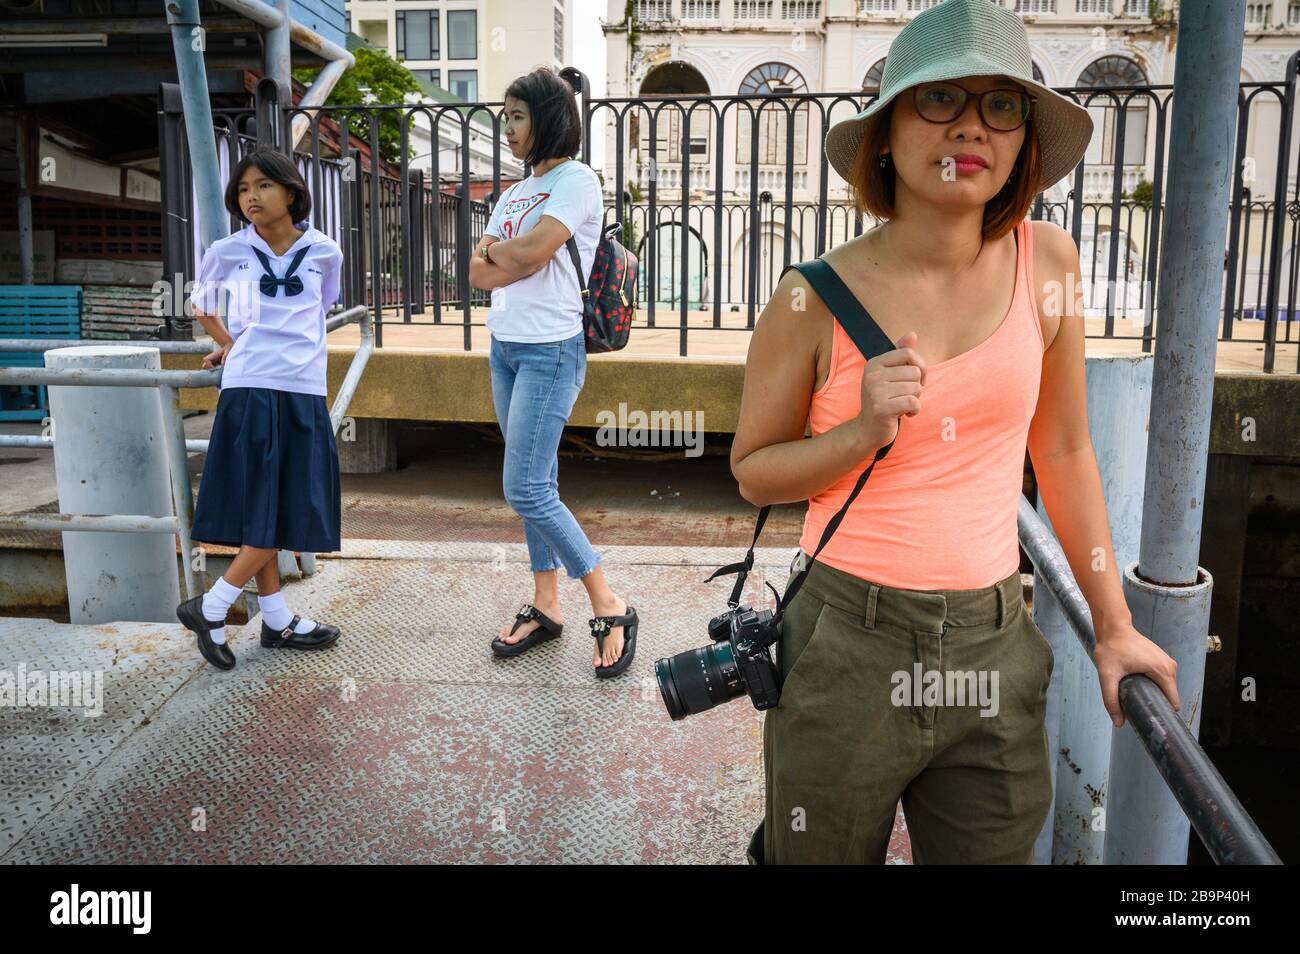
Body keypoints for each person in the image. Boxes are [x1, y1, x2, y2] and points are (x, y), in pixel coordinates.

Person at [732, 0, 1181, 864]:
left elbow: (1065, 452)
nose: (971, 124)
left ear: (1021, 144)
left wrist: (1114, 625)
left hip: (994, 642)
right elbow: (756, 473)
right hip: (843, 643)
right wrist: (863, 429)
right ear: (888, 134)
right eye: (939, 98)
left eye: (1000, 105)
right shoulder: (810, 295)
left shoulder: (1047, 262)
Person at [468, 66, 638, 678]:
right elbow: (477, 270)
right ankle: (546, 604)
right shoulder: (514, 195)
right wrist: (506, 255)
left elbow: (531, 253)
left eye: (517, 115)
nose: (507, 127)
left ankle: (608, 600)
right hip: (505, 348)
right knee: (537, 482)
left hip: (550, 349)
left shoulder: (577, 180)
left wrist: (507, 254)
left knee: (525, 489)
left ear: (548, 117)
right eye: (505, 116)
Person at [175, 148, 346, 671]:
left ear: (291, 193)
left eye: (263, 186)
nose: (251, 196)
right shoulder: (227, 250)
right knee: (262, 509)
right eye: (244, 189)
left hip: (302, 388)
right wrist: (231, 342)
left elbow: (320, 308)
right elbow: (199, 303)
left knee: (283, 505)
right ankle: (212, 606)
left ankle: (274, 619)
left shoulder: (325, 251)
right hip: (249, 388)